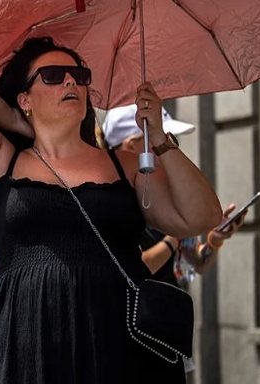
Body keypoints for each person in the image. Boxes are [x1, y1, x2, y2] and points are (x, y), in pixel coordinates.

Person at [0, 36, 222, 384]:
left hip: (119, 345)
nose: (71, 82)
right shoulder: (0, 162)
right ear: (26, 97)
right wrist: (18, 121)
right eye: (53, 76)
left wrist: (159, 140)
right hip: (28, 342)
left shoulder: (123, 164)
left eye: (80, 76)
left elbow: (200, 216)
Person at [102, 105, 248, 288]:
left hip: (170, 312)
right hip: (134, 314)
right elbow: (131, 269)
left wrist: (214, 241)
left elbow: (195, 264)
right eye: (160, 141)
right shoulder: (108, 201)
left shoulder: (167, 191)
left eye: (170, 140)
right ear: (132, 145)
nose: (168, 150)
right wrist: (175, 237)